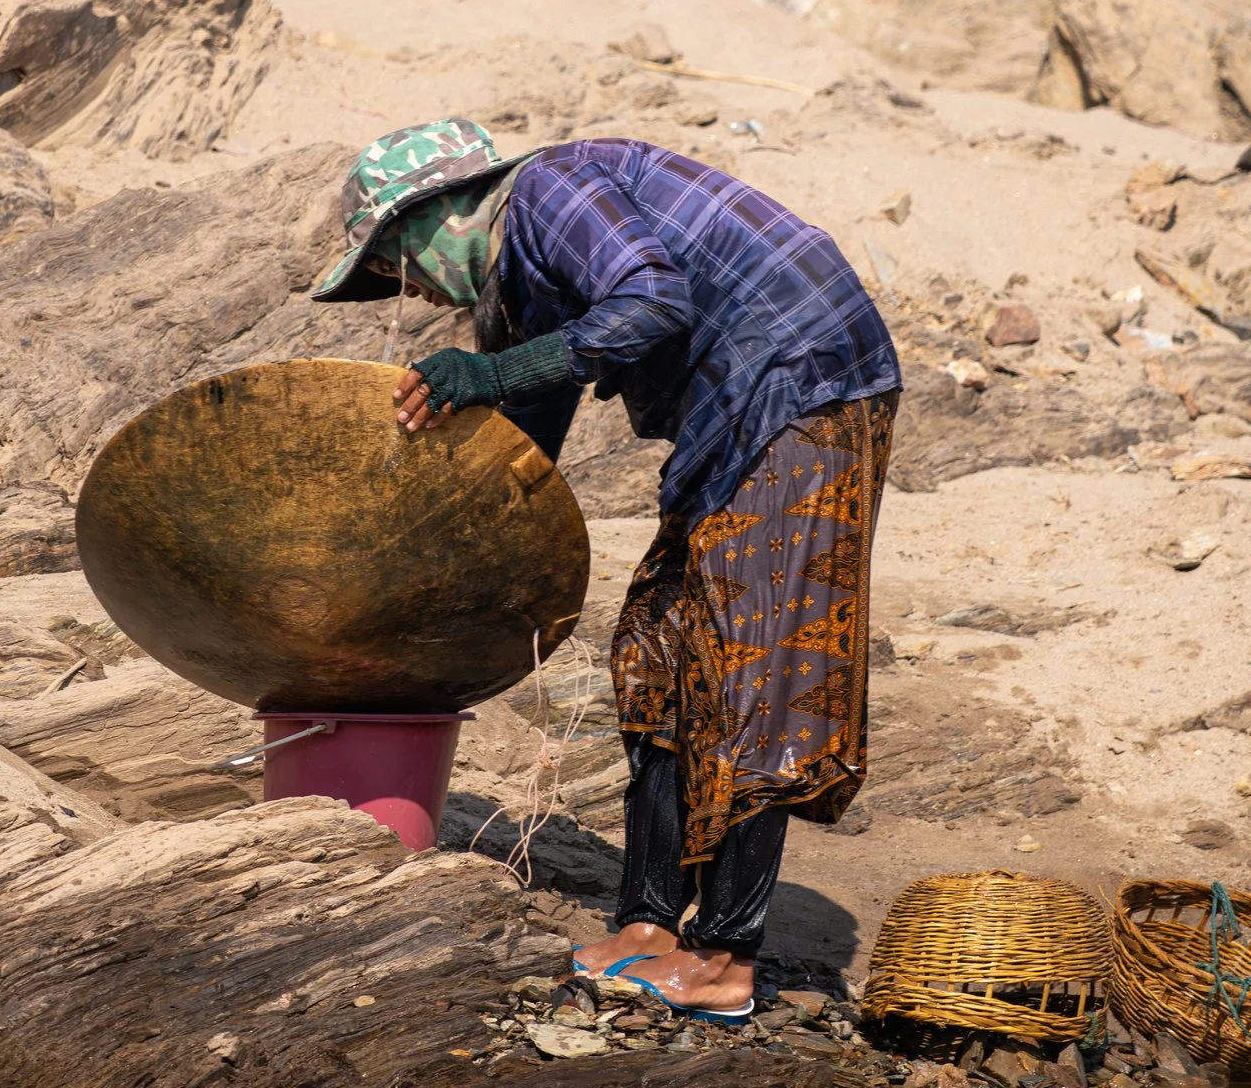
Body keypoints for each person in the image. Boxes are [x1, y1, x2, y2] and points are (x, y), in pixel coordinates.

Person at [313, 119, 902, 1023]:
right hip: (735, 416)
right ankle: (649, 924)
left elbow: (652, 300)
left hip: (806, 382)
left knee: (756, 669)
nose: (413, 287)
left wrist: (490, 370)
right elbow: (527, 443)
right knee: (657, 650)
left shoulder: (549, 188)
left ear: (446, 209)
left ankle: (725, 959)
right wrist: (452, 563)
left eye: (400, 260)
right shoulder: (521, 286)